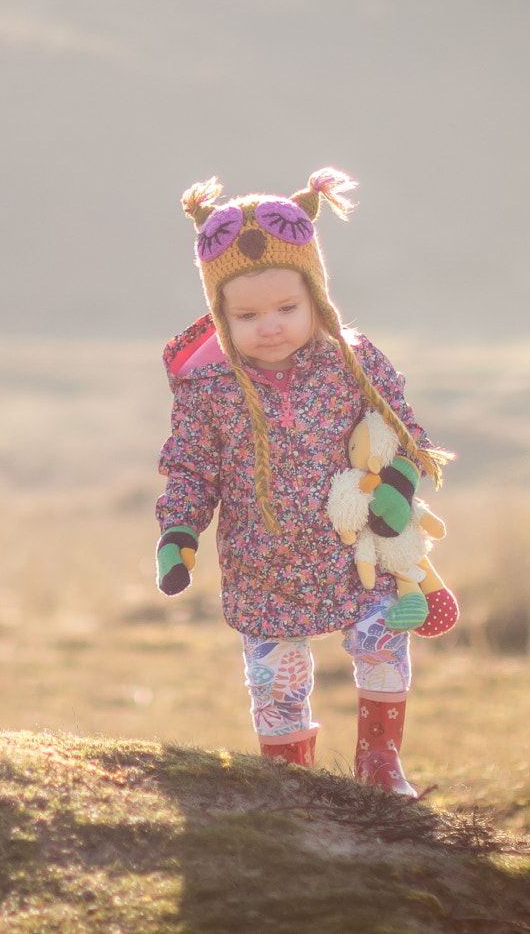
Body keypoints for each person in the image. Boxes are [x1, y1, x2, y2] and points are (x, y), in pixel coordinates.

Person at [152, 167, 452, 797]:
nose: (271, 325)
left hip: (356, 552)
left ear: (317, 294)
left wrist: (397, 480)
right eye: (248, 313)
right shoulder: (209, 387)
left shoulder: (353, 359)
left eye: (289, 307)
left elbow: (402, 427)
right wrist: (179, 530)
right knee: (276, 679)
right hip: (264, 561)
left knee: (383, 641)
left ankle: (380, 762)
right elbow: (190, 464)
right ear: (219, 315)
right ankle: (291, 781)